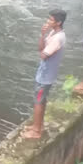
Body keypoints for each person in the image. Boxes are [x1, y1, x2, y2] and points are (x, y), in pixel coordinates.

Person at [24, 9, 67, 140]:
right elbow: (40, 48)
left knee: (38, 100)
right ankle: (38, 125)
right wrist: (42, 35)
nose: (48, 21)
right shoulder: (54, 33)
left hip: (45, 76)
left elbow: (43, 55)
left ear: (58, 22)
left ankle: (36, 132)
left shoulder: (58, 38)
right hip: (44, 73)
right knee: (41, 100)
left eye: (51, 20)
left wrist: (43, 49)